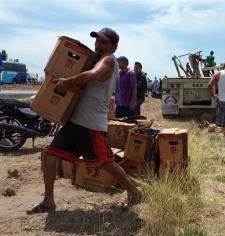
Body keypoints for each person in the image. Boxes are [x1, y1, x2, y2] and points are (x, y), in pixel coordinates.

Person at [26, 27, 142, 214]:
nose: (98, 44)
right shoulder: (95, 59)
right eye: (97, 40)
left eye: (103, 41)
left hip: (90, 124)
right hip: (76, 121)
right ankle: (48, 201)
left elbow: (95, 76)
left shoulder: (108, 60)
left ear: (114, 46)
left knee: (106, 162)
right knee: (50, 154)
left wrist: (67, 81)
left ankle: (134, 192)